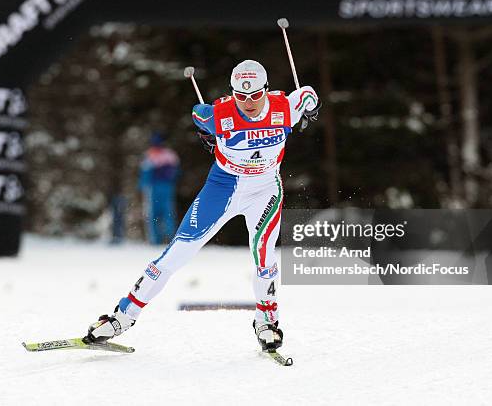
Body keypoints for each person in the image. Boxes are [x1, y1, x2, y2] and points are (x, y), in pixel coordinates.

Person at [86, 60, 321, 351]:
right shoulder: (220, 114)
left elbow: (307, 93)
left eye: (255, 95)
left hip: (264, 190)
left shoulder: (284, 108)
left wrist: (310, 106)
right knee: (177, 252)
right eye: (241, 96)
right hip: (223, 187)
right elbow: (198, 113)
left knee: (264, 254)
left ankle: (267, 321)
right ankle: (122, 317)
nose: (248, 103)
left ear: (267, 91)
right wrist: (209, 134)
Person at [138, 133, 180, 244]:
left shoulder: (149, 155)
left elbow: (145, 175)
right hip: (166, 187)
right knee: (168, 213)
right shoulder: (170, 155)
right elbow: (176, 173)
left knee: (155, 214)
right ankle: (171, 238)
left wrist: (142, 187)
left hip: (154, 188)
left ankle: (156, 240)